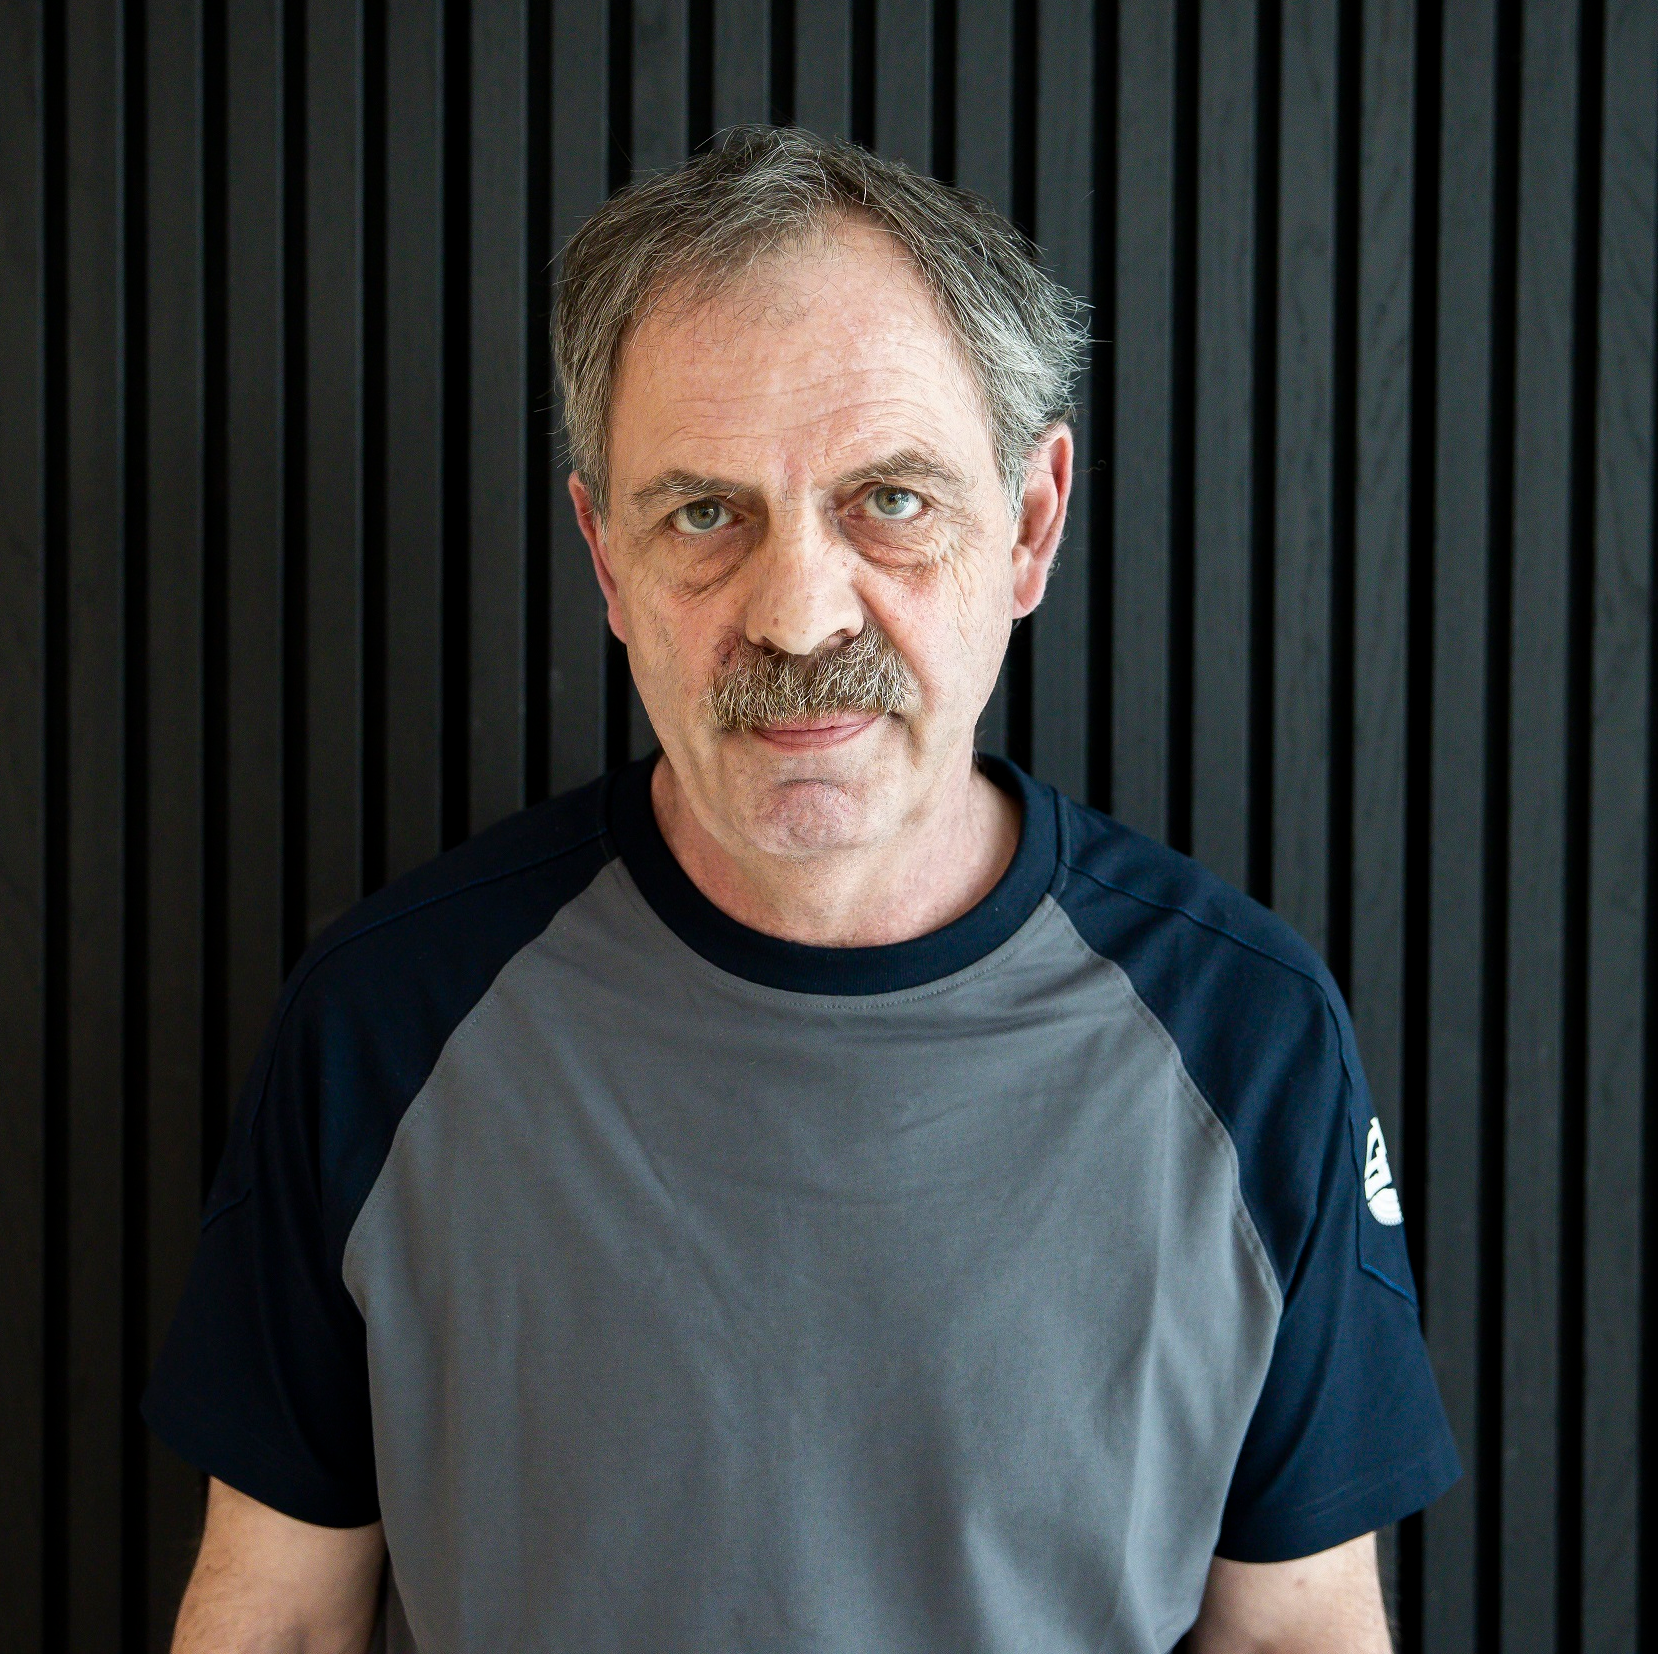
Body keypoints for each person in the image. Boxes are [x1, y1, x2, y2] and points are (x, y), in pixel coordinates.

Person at [145, 127, 1457, 1653]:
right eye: (704, 515)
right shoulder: (385, 1023)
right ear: (606, 556)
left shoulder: (1246, 1038)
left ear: (1029, 523)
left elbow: (1294, 1627)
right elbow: (280, 1621)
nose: (796, 611)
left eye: (888, 499)